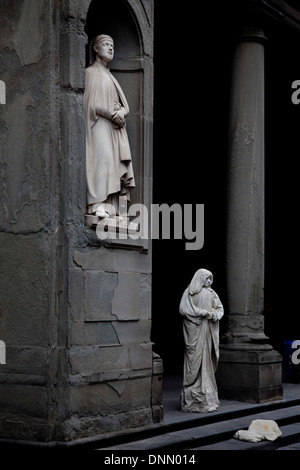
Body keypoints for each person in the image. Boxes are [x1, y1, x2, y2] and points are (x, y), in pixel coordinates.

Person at [84, 34, 135, 218]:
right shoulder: (90, 73)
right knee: (102, 160)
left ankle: (111, 205)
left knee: (113, 164)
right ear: (96, 49)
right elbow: (88, 104)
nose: (111, 48)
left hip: (114, 129)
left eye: (112, 45)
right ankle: (96, 202)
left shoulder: (110, 76)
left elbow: (125, 105)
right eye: (106, 44)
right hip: (99, 125)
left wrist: (121, 113)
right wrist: (111, 113)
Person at [179, 268, 224, 412]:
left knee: (206, 360)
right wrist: (200, 313)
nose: (210, 281)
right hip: (195, 332)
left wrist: (213, 315)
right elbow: (184, 310)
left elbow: (219, 309)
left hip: (207, 332)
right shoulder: (189, 292)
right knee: (193, 358)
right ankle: (191, 389)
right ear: (200, 279)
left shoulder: (212, 293)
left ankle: (205, 390)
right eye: (207, 278)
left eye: (211, 279)